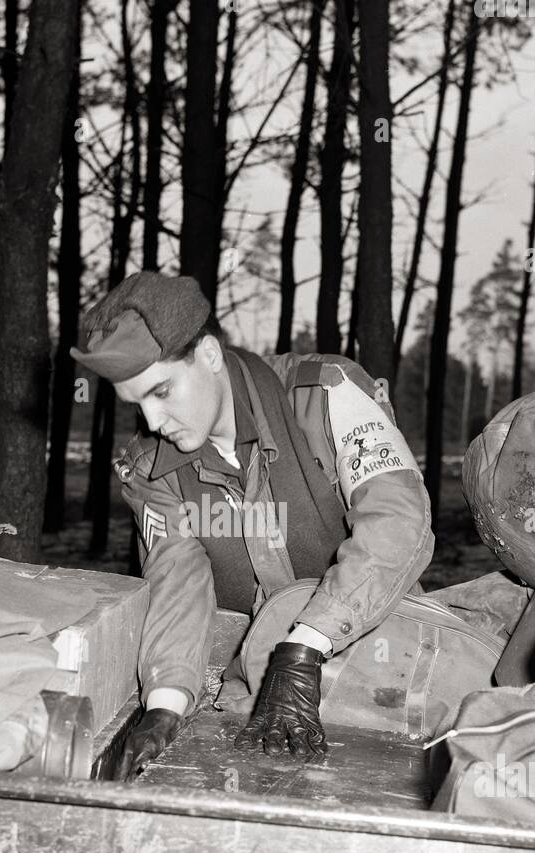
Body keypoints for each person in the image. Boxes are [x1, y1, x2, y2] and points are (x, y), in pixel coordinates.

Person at [70, 271, 433, 778]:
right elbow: (178, 584)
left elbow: (398, 521)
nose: (153, 421)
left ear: (210, 356)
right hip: (249, 684)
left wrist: (306, 645)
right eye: (138, 404)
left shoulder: (325, 393)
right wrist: (165, 708)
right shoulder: (152, 470)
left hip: (385, 663)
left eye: (163, 391)